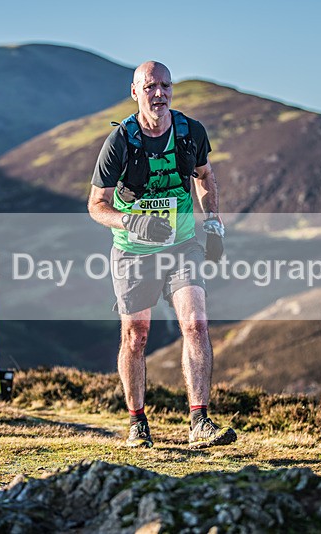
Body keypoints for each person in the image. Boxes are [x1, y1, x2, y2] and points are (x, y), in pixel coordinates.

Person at [87, 61, 236, 449]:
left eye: (166, 86)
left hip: (182, 244)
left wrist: (214, 225)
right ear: (135, 92)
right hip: (134, 251)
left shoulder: (189, 132)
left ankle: (200, 421)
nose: (159, 93)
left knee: (196, 325)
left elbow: (205, 176)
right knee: (136, 335)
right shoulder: (121, 141)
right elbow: (96, 205)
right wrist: (133, 223)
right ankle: (137, 422)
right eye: (150, 86)